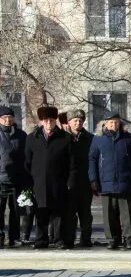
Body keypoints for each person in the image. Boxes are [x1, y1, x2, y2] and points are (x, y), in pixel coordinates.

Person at [24, 105, 75, 249]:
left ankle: (59, 239)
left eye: (51, 120)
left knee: (58, 212)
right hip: (38, 182)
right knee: (40, 212)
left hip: (58, 181)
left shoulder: (65, 138)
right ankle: (41, 239)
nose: (48, 123)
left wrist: (70, 181)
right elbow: (27, 162)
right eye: (45, 120)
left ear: (55, 121)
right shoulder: (32, 138)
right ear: (41, 121)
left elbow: (71, 163)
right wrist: (28, 183)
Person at [88, 112, 131, 249]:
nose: (114, 125)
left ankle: (129, 239)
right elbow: (92, 160)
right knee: (109, 214)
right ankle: (112, 239)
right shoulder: (98, 139)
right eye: (111, 122)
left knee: (127, 214)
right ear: (105, 123)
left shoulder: (128, 138)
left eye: (116, 122)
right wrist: (93, 179)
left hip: (125, 182)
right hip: (105, 182)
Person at [0, 105, 31, 248]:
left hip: (16, 179)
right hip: (0, 179)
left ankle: (14, 237)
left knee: (16, 210)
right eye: (5, 118)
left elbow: (26, 156)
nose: (8, 120)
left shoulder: (21, 135)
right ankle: (1, 236)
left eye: (10, 118)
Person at [63, 109, 94, 248]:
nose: (78, 123)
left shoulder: (90, 138)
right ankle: (69, 239)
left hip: (85, 181)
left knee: (85, 213)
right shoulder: (63, 138)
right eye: (75, 120)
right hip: (68, 182)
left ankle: (86, 239)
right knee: (69, 213)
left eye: (80, 120)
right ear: (69, 122)